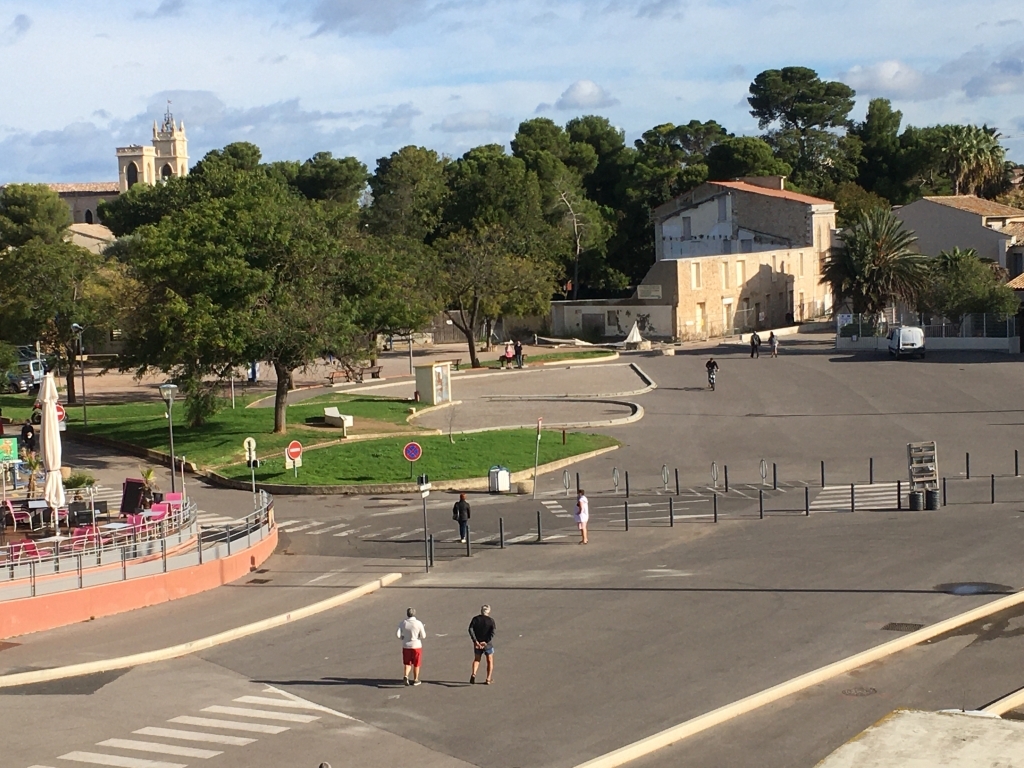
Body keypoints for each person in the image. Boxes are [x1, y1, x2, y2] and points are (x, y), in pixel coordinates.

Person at [397, 607, 426, 686]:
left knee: (407, 663)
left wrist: (402, 638)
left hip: (406, 646)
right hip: (416, 646)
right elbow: (423, 636)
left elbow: (398, 634)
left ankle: (406, 675)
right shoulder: (418, 623)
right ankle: (416, 679)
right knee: (417, 663)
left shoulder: (403, 623)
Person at [468, 605, 496, 685]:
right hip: (487, 644)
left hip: (477, 643)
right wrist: (486, 642)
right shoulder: (491, 621)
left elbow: (470, 629)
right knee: (489, 661)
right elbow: (492, 633)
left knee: (477, 659)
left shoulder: (476, 619)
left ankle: (474, 674)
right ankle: (488, 678)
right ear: (489, 611)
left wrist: (475, 640)